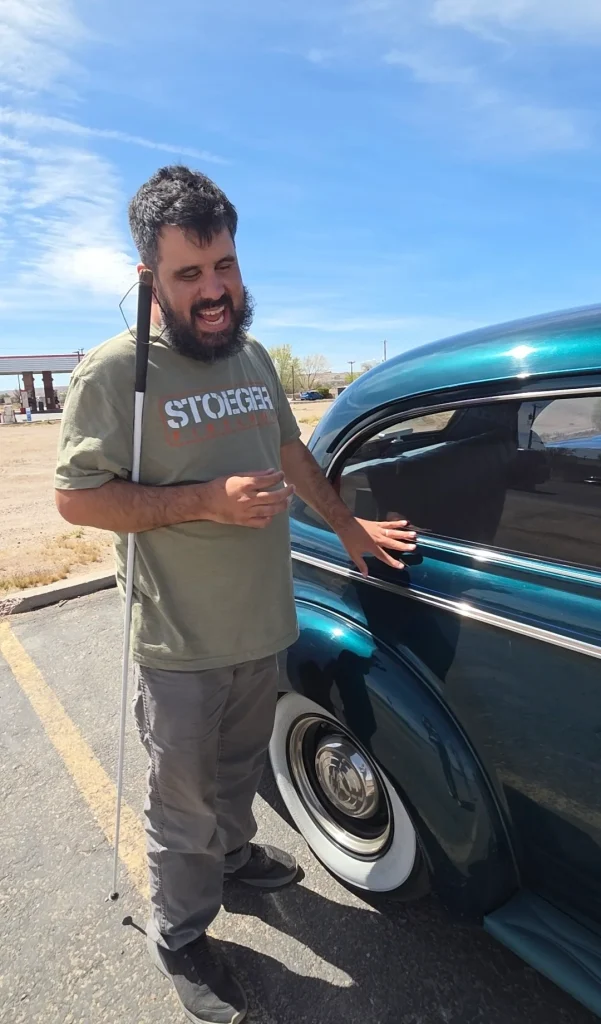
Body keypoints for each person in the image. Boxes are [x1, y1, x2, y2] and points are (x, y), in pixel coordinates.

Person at [54, 165, 417, 1024]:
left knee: (238, 773)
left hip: (263, 625)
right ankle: (180, 934)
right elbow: (75, 498)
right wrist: (201, 503)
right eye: (189, 275)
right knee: (179, 806)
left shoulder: (251, 356)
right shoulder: (116, 375)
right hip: (178, 647)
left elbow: (293, 455)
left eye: (224, 266)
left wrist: (348, 527)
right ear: (151, 278)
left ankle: (236, 856)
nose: (214, 291)